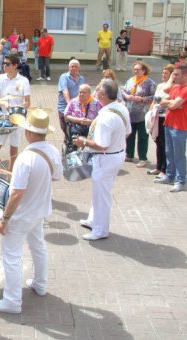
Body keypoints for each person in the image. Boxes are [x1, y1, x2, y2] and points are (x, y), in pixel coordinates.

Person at [0, 107, 63, 314]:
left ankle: (12, 301)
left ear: (28, 133)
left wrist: (4, 219)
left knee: (11, 255)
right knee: (38, 247)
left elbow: (16, 194)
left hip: (22, 215)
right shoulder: (53, 151)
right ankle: (40, 283)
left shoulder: (25, 158)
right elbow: (57, 176)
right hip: (40, 210)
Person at [74, 79, 131, 240]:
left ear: (104, 95)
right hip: (115, 155)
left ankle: (100, 230)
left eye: (97, 89)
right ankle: (94, 220)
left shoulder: (106, 118)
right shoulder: (120, 108)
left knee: (102, 195)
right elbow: (127, 131)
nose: (95, 91)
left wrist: (83, 142)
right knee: (99, 192)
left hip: (106, 158)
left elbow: (101, 145)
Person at [156, 63, 187, 193]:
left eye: (176, 75)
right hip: (169, 123)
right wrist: (172, 104)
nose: (173, 77)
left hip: (180, 127)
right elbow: (164, 100)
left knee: (178, 155)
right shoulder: (176, 87)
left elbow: (172, 105)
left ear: (185, 75)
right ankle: (169, 175)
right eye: (173, 74)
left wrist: (172, 104)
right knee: (169, 152)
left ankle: (180, 181)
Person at [0, 54, 32, 170]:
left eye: (7, 64)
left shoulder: (24, 80)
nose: (4, 66)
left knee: (14, 146)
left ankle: (11, 171)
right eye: (3, 63)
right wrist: (4, 104)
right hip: (2, 116)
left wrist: (16, 108)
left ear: (15, 65)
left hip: (18, 117)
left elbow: (27, 102)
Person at [121, 61, 156, 167]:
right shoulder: (130, 80)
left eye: (138, 69)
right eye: (134, 69)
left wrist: (142, 99)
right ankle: (129, 154)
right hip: (130, 113)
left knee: (142, 137)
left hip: (143, 114)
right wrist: (126, 97)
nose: (135, 71)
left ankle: (143, 158)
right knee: (129, 135)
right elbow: (123, 91)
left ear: (144, 70)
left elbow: (154, 97)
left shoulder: (150, 83)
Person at [147, 64, 175, 176]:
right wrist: (150, 113)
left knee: (164, 143)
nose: (163, 75)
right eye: (162, 73)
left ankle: (164, 169)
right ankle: (158, 167)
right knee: (157, 142)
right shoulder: (159, 86)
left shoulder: (173, 87)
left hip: (165, 117)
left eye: (166, 73)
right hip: (156, 117)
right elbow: (154, 101)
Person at [64, 84, 102, 151]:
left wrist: (90, 122)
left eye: (83, 92)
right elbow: (66, 115)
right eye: (80, 92)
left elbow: (102, 118)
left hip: (91, 127)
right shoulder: (73, 101)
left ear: (89, 93)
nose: (81, 94)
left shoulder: (96, 103)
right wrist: (78, 120)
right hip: (76, 126)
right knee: (73, 138)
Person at [57, 59, 85, 141]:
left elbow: (83, 92)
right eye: (72, 66)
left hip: (77, 107)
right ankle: (67, 139)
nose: (74, 68)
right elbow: (65, 91)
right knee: (64, 127)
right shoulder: (64, 77)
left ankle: (72, 141)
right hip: (64, 107)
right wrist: (70, 105)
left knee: (76, 128)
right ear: (69, 68)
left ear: (79, 68)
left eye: (76, 67)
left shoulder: (82, 79)